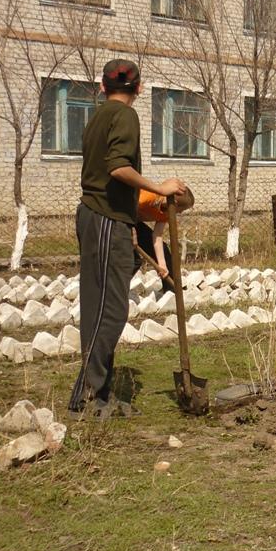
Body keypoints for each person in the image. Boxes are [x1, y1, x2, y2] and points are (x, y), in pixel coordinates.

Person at [70, 59, 187, 418]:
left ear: (102, 87)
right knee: (112, 310)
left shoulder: (98, 116)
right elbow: (118, 167)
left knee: (97, 307)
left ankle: (96, 397)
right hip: (106, 219)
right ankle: (88, 398)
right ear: (139, 88)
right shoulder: (125, 116)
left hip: (95, 215)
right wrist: (159, 187)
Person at [134, 186, 196, 293]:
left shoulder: (166, 212)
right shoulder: (148, 197)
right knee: (133, 261)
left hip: (135, 224)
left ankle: (170, 292)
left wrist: (162, 265)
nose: (180, 213)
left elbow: (157, 236)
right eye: (182, 209)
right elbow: (124, 208)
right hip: (119, 220)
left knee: (164, 251)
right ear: (175, 203)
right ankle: (110, 290)